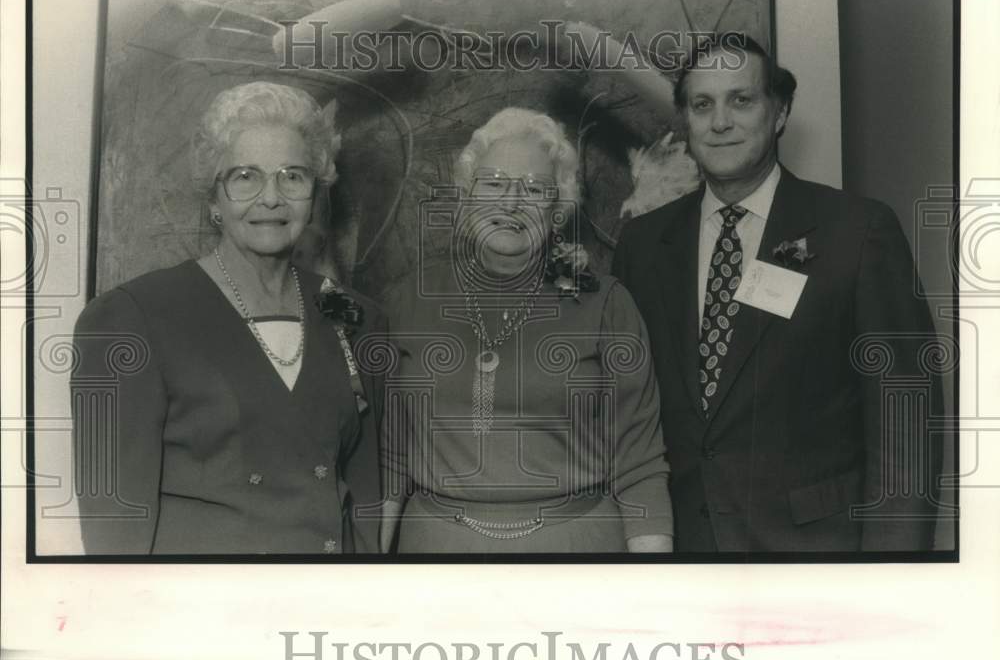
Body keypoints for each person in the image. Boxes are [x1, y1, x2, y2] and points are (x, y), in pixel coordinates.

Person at [613, 34, 943, 552]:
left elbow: (905, 423)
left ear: (781, 111)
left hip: (816, 556)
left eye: (741, 100)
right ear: (686, 120)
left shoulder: (858, 233)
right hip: (683, 557)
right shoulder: (643, 245)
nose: (721, 121)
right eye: (703, 104)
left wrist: (893, 578)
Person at [71, 81, 385, 554]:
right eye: (245, 176)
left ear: (316, 191)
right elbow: (114, 530)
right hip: (201, 613)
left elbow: (364, 496)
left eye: (293, 176)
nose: (271, 198)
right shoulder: (131, 318)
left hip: (322, 607)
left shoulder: (351, 314)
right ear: (213, 198)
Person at [379, 107, 673, 554]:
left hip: (577, 557)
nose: (511, 202)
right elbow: (390, 462)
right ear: (466, 194)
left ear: (558, 208)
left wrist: (653, 597)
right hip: (435, 560)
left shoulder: (606, 305)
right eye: (494, 183)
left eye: (535, 189)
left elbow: (641, 464)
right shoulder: (409, 301)